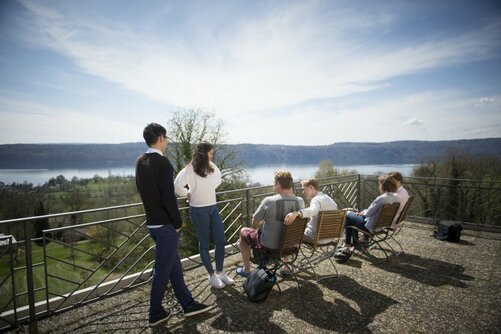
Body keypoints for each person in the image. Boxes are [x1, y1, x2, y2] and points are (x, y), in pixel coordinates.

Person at [135, 123, 213, 327]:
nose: (168, 141)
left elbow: (143, 193)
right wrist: (177, 223)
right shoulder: (163, 164)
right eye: (166, 138)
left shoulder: (140, 162)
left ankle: (188, 304)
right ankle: (155, 313)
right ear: (160, 138)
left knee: (173, 266)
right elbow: (168, 196)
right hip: (166, 226)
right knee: (162, 270)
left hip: (152, 224)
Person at [174, 142, 234, 289]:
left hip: (212, 208)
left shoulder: (212, 166)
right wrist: (187, 193)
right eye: (210, 153)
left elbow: (218, 180)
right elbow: (176, 185)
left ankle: (220, 272)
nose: (212, 155)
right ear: (204, 153)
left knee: (221, 240)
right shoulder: (189, 169)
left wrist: (206, 189)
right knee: (204, 244)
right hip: (198, 210)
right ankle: (212, 276)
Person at [235, 171, 305, 277]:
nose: (273, 185)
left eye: (273, 182)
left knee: (243, 231)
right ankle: (285, 267)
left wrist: (258, 226)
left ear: (277, 183)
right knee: (286, 231)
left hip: (270, 248)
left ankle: (247, 269)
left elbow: (255, 221)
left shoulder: (269, 201)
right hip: (291, 247)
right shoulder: (300, 201)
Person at [342, 174, 399, 251]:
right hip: (382, 225)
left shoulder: (381, 199)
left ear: (383, 186)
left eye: (380, 184)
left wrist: (362, 213)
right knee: (353, 217)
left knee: (348, 214)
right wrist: (363, 213)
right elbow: (371, 212)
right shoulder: (396, 198)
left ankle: (348, 243)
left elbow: (368, 213)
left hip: (370, 227)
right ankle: (353, 242)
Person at [284, 178, 338, 244]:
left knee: (292, 231)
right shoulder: (328, 198)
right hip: (330, 237)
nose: (303, 192)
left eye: (304, 189)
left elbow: (313, 210)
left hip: (316, 237)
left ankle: (288, 252)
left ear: (311, 187)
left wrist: (298, 213)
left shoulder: (316, 200)